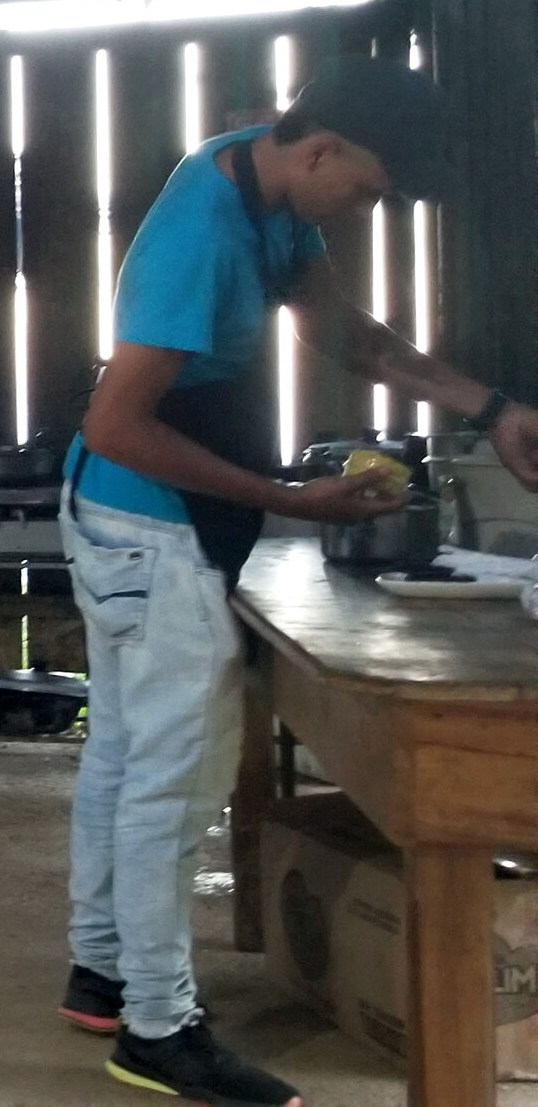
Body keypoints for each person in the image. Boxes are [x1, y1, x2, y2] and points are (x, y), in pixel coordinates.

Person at [58, 56, 538, 1105]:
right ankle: (156, 1027)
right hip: (148, 522)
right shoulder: (202, 233)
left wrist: (489, 404)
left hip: (145, 522)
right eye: (364, 190)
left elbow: (349, 337)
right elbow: (114, 422)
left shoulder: (267, 190)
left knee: (126, 752)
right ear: (318, 148)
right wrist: (289, 500)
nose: (365, 212)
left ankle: (103, 969)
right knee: (172, 779)